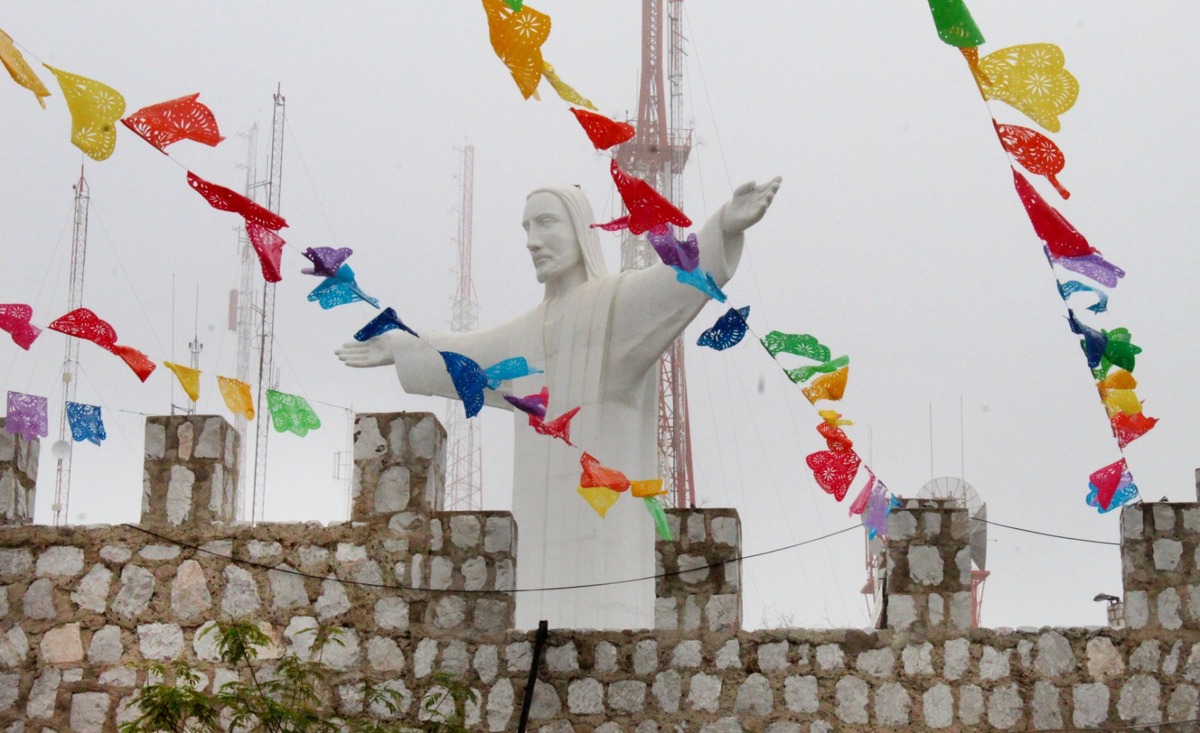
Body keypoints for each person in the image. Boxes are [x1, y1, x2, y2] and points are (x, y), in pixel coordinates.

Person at [336, 177, 781, 629]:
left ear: (581, 230)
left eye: (546, 222)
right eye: (527, 228)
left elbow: (675, 280)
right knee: (533, 612)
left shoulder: (617, 305)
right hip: (537, 540)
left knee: (605, 621)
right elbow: (465, 354)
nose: (532, 241)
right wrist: (402, 345)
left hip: (607, 549)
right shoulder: (526, 332)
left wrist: (723, 226)